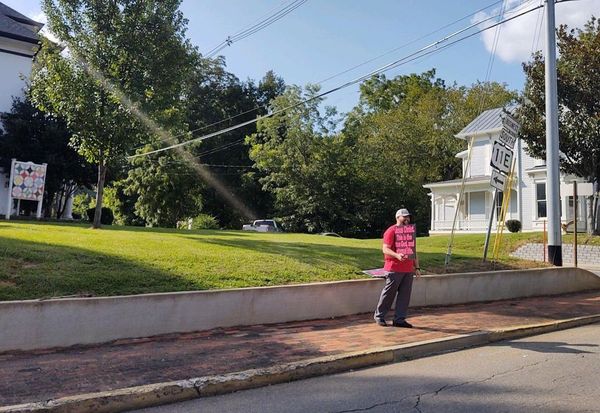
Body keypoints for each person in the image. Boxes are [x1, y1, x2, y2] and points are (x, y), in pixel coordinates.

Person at [374, 208, 421, 327]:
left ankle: (399, 319)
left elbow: (413, 251)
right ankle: (379, 316)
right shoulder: (391, 231)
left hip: (408, 269)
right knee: (388, 294)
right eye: (404, 217)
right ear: (397, 217)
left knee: (404, 296)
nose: (407, 219)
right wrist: (396, 255)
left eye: (408, 217)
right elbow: (385, 248)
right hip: (393, 269)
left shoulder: (409, 232)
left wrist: (417, 267)